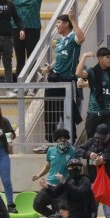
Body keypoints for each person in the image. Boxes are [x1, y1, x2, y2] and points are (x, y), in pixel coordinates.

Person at [2, 0, 50, 84]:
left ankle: (33, 83)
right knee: (20, 58)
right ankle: (21, 85)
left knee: (32, 57)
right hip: (17, 29)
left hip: (33, 29)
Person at [42, 10, 85, 142]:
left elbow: (82, 38)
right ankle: (49, 141)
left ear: (66, 24)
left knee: (67, 112)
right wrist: (51, 67)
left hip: (67, 80)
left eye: (59, 23)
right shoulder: (60, 40)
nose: (57, 25)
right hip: (54, 78)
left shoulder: (73, 37)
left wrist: (73, 20)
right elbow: (61, 56)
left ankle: (71, 139)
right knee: (50, 110)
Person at [77, 47, 110, 140]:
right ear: (99, 58)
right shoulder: (92, 71)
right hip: (94, 112)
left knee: (109, 141)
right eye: (107, 57)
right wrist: (84, 56)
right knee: (91, 140)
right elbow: (78, 73)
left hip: (109, 113)